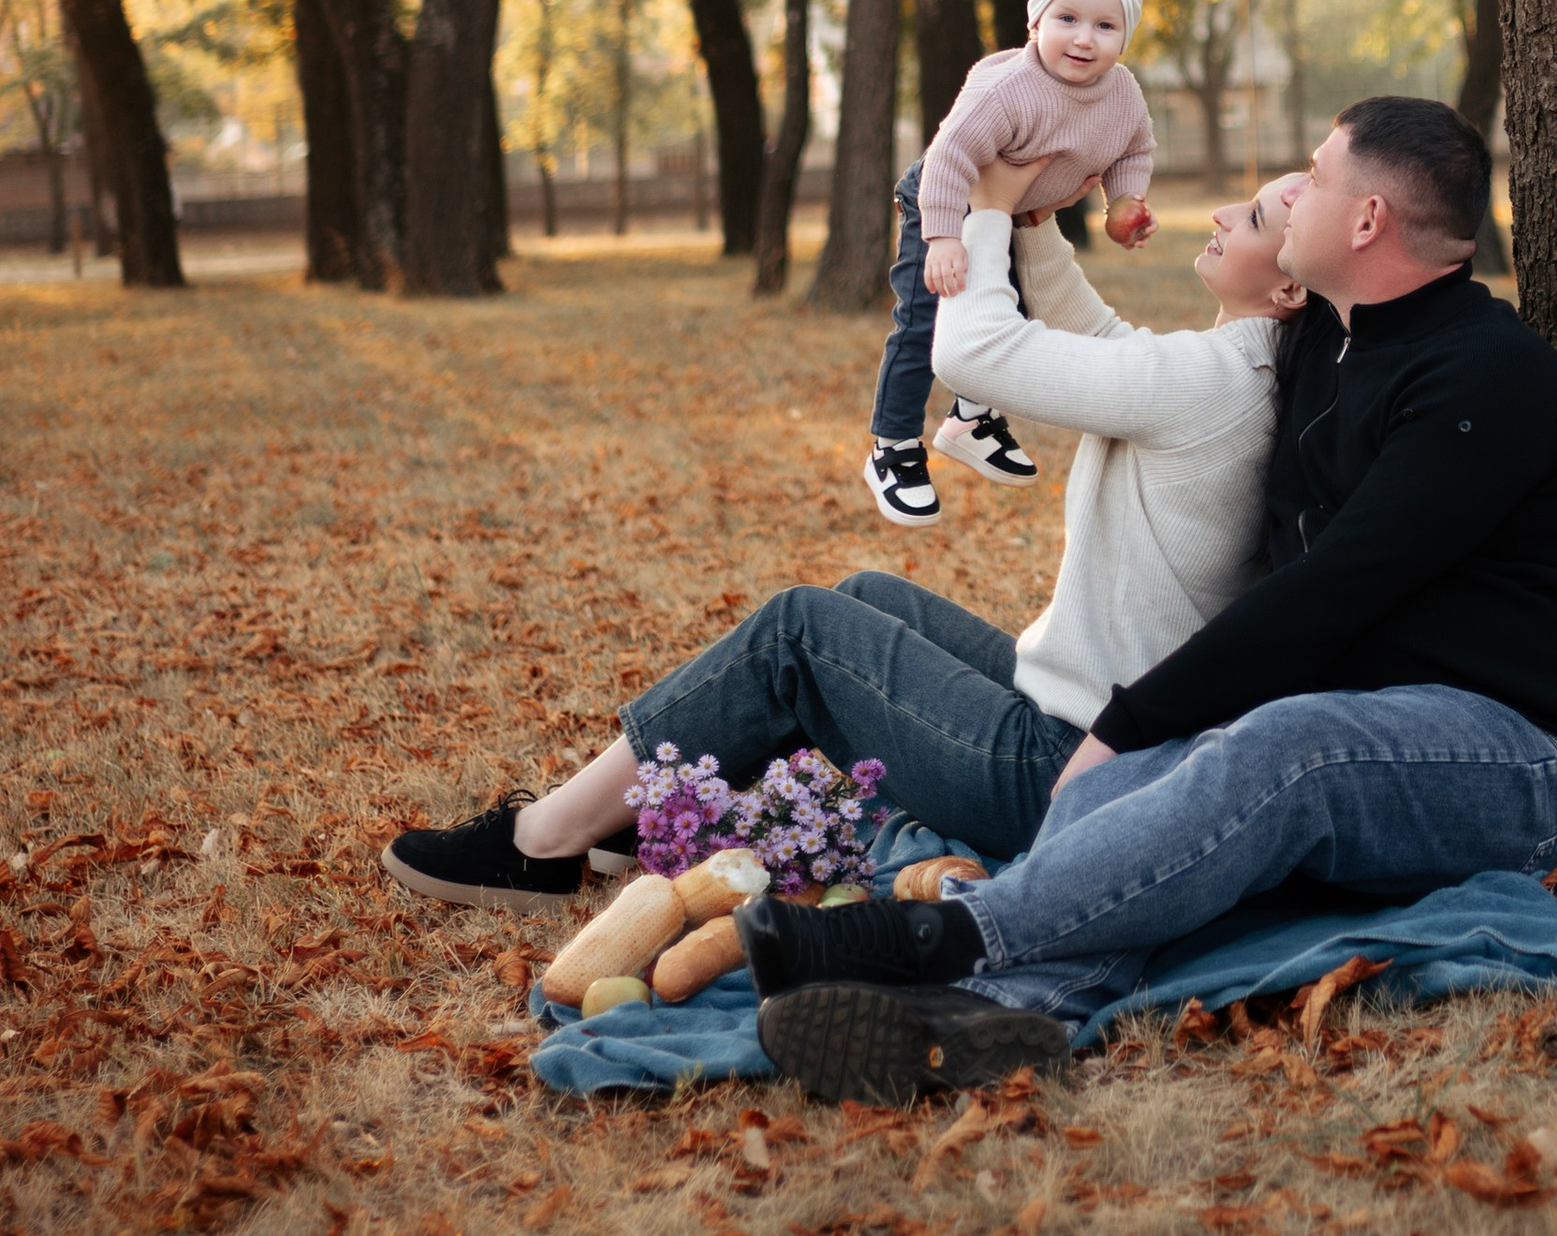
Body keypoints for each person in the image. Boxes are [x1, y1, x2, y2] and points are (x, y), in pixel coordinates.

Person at [740, 96, 1557, 1109]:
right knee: (1146, 785)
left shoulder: (1482, 372)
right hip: (1351, 723)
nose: (1296, 189)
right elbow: (1128, 354)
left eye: (1317, 175)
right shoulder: (1328, 343)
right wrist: (1036, 207)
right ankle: (1000, 1015)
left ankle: (936, 934)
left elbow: (1333, 593)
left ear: (1367, 220)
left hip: (1509, 754)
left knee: (1283, 749)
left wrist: (1128, 718)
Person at [380, 169, 1305, 917]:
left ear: (1291, 283)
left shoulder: (1210, 381)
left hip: (1064, 768)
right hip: (1089, 719)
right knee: (868, 593)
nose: (1227, 209)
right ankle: (642, 811)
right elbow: (1094, 332)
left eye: (1256, 213)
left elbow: (975, 356)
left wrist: (979, 207)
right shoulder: (1234, 368)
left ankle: (540, 844)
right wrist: (1031, 218)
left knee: (801, 632)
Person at [864, 0, 1160, 531]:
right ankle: (891, 448)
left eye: (1106, 27)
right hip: (942, 201)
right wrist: (944, 236)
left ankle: (971, 418)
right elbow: (948, 159)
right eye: (1068, 18)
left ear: (1124, 35)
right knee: (926, 321)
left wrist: (1125, 202)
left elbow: (1134, 149)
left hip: (1015, 215)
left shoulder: (1122, 93)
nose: (1084, 39)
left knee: (1009, 312)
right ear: (1036, 20)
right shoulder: (1008, 90)